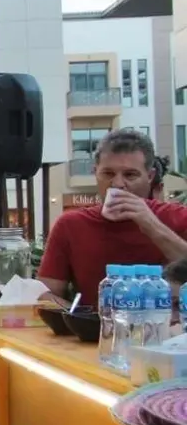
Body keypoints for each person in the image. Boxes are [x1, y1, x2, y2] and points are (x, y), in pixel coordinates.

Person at [39, 129, 187, 308]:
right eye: (108, 174)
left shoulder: (179, 217)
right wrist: (86, 319)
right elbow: (45, 294)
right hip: (95, 332)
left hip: (169, 331)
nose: (117, 184)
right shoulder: (71, 224)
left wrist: (151, 224)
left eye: (130, 175)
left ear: (150, 176)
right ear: (96, 173)